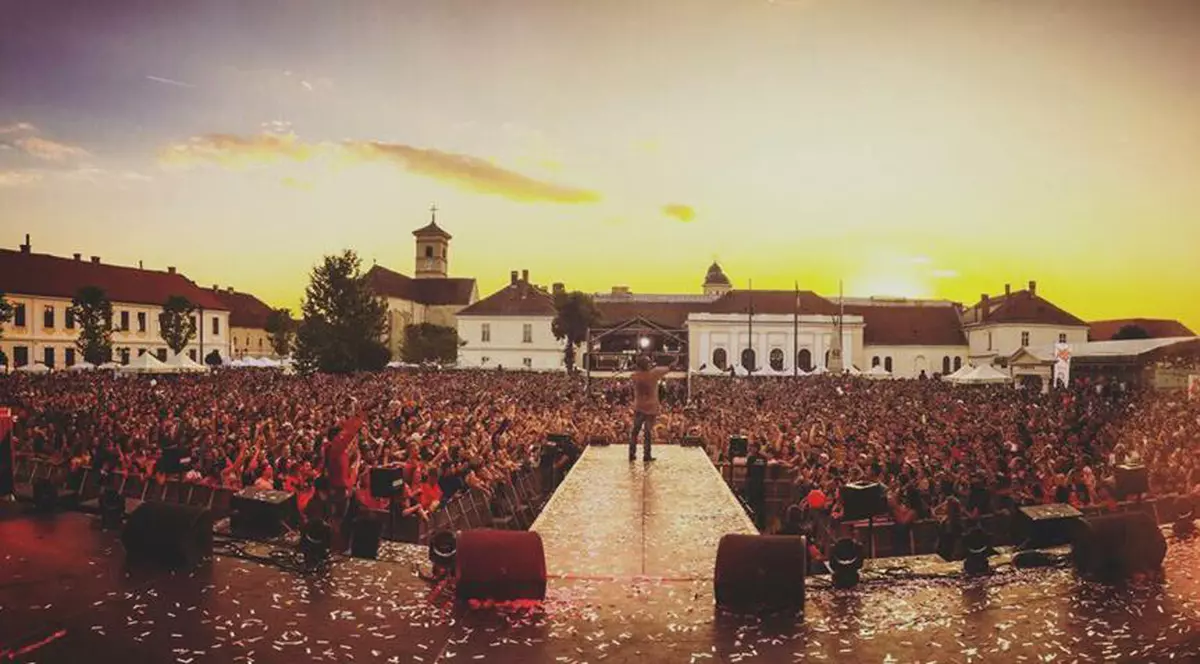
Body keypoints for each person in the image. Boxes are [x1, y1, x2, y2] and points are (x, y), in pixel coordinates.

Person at [629, 354, 674, 462]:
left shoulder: (635, 376)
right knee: (648, 432)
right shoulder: (654, 373)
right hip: (651, 408)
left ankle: (632, 453)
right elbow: (670, 367)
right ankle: (646, 455)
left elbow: (633, 375)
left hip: (639, 407)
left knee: (635, 431)